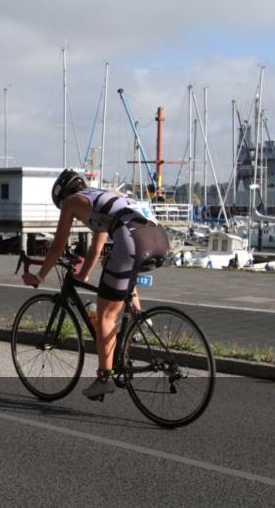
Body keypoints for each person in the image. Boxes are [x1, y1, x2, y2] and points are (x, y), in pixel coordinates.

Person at [21, 169, 170, 400]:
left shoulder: (72, 201)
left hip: (132, 241)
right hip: (160, 239)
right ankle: (137, 321)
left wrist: (39, 277)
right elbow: (97, 247)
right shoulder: (105, 196)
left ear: (63, 196)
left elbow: (58, 246)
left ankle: (104, 379)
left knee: (105, 315)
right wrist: (84, 276)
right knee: (114, 265)